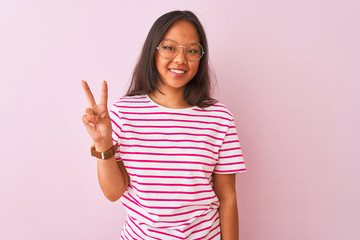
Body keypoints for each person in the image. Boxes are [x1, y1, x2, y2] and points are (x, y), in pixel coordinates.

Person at [81, 10, 246, 240]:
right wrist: (102, 142)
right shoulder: (123, 112)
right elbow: (113, 193)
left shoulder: (219, 118)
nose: (180, 59)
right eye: (169, 47)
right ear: (153, 51)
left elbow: (227, 198)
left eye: (192, 51)